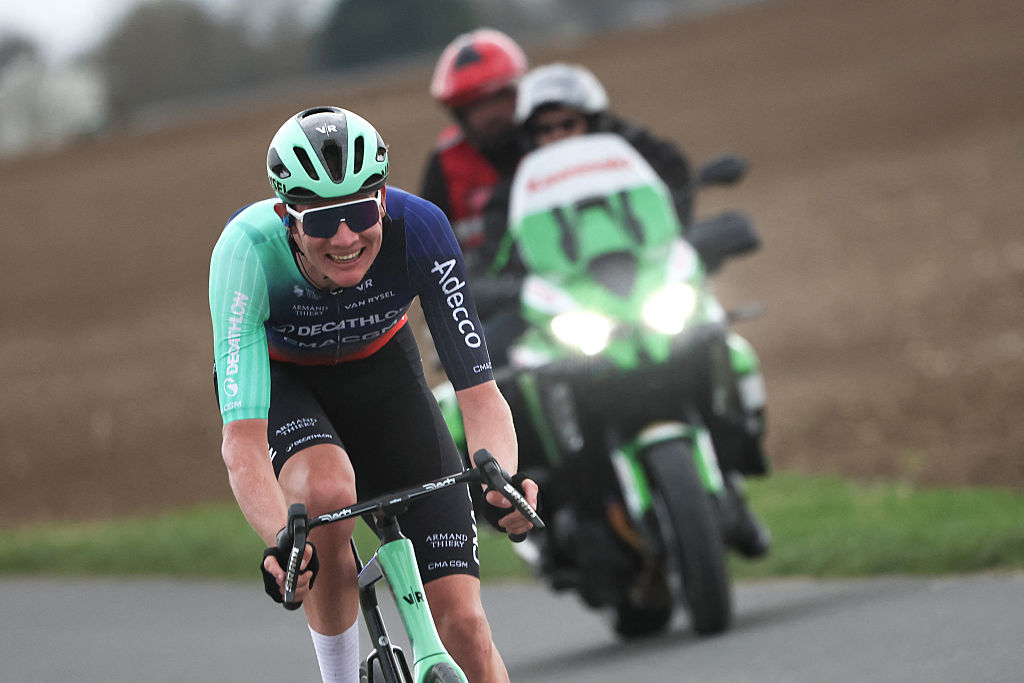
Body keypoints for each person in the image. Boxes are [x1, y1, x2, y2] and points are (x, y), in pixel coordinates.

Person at [209, 106, 539, 683]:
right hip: (286, 382)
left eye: (361, 212)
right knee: (327, 494)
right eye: (320, 222)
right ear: (288, 216)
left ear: (383, 200)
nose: (344, 237)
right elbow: (242, 441)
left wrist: (504, 480)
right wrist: (281, 540)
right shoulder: (245, 252)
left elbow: (479, 392)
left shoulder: (421, 228)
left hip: (384, 375)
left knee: (465, 629)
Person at [484, 63, 772, 557]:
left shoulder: (642, 155)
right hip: (576, 313)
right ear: (531, 136)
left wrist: (707, 239)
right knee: (508, 383)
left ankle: (735, 470)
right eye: (546, 129)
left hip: (647, 295)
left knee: (722, 338)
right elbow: (494, 253)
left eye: (568, 124)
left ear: (593, 122)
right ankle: (546, 521)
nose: (558, 136)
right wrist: (486, 283)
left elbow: (677, 210)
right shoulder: (514, 190)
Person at [420, 28, 527, 279]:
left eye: (496, 98)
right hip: (489, 299)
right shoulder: (444, 164)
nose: (489, 114)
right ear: (459, 112)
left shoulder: (549, 141)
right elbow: (427, 254)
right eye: (475, 105)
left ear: (517, 93)